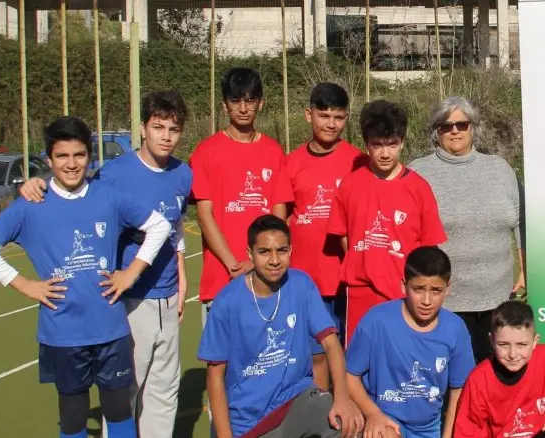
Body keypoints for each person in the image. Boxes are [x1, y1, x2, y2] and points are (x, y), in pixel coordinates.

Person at [0, 116, 172, 438]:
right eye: (62, 156)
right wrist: (24, 285)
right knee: (74, 415)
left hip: (110, 328)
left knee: (119, 410)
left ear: (89, 156)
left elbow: (159, 225)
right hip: (62, 332)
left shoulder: (108, 195)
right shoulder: (31, 204)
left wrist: (131, 273)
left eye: (79, 155)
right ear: (49, 160)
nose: (71, 164)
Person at [17, 92, 194, 437]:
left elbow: (174, 225)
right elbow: (76, 194)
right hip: (128, 298)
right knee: (125, 394)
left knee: (164, 391)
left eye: (174, 129)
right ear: (142, 128)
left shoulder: (183, 173)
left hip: (169, 295)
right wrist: (35, 185)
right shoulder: (113, 174)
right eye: (158, 127)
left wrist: (182, 273)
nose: (166, 136)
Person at [197, 215, 363, 438]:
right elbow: (215, 376)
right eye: (264, 252)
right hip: (249, 419)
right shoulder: (227, 302)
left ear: (290, 251)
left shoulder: (301, 284)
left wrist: (342, 398)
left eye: (281, 250)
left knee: (350, 424)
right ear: (250, 254)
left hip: (296, 400)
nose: (274, 260)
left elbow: (331, 344)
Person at [409, 96, 525, 364]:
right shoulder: (418, 172)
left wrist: (525, 270)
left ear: (473, 127)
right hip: (442, 303)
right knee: (448, 376)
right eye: (446, 126)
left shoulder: (500, 169)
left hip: (497, 299)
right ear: (436, 131)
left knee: (489, 376)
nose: (454, 131)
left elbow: (520, 221)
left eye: (462, 124)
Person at [327, 99, 447, 345]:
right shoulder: (350, 185)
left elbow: (429, 248)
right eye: (377, 145)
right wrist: (365, 264)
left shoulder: (419, 188)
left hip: (404, 293)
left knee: (401, 358)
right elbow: (344, 237)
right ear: (366, 144)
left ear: (402, 142)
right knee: (360, 359)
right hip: (360, 292)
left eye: (391, 144)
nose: (384, 153)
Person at [189, 67, 292, 326]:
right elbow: (204, 215)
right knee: (221, 352)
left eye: (250, 100)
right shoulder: (205, 152)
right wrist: (234, 265)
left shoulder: (274, 151)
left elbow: (278, 216)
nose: (243, 108)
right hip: (222, 281)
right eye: (235, 101)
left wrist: (256, 261)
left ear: (261, 103)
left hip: (266, 280)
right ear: (225, 106)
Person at [280, 82, 367, 389]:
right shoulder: (290, 163)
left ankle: (350, 412)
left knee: (350, 355)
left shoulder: (359, 161)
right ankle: (320, 410)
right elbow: (281, 219)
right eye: (324, 115)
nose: (331, 124)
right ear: (309, 115)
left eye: (339, 117)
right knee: (315, 356)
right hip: (307, 280)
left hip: (347, 280)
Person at [345, 246, 475, 438]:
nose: (426, 300)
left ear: (448, 288)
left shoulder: (455, 328)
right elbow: (349, 375)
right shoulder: (377, 320)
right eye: (418, 289)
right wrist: (373, 414)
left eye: (436, 290)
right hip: (385, 419)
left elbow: (459, 390)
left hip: (428, 427)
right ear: (403, 285)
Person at [453, 300, 545, 437]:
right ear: (491, 340)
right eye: (503, 344)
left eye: (522, 345)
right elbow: (467, 432)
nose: (512, 354)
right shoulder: (479, 380)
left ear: (534, 341)